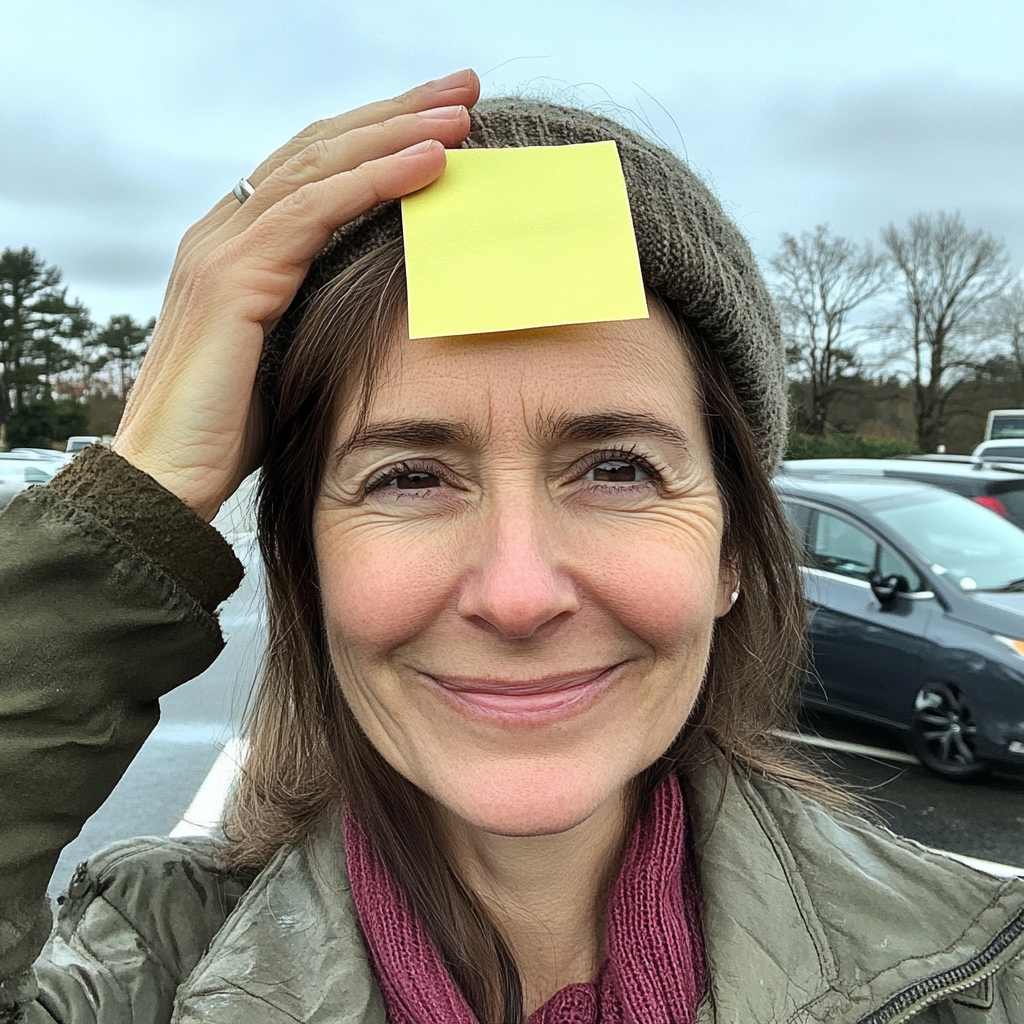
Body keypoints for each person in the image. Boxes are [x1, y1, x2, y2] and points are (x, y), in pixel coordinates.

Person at [1, 68, 1022, 1024]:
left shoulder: (982, 977)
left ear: (734, 554)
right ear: (306, 568)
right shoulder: (146, 968)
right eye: (407, 477)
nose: (519, 593)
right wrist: (137, 497)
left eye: (617, 468)